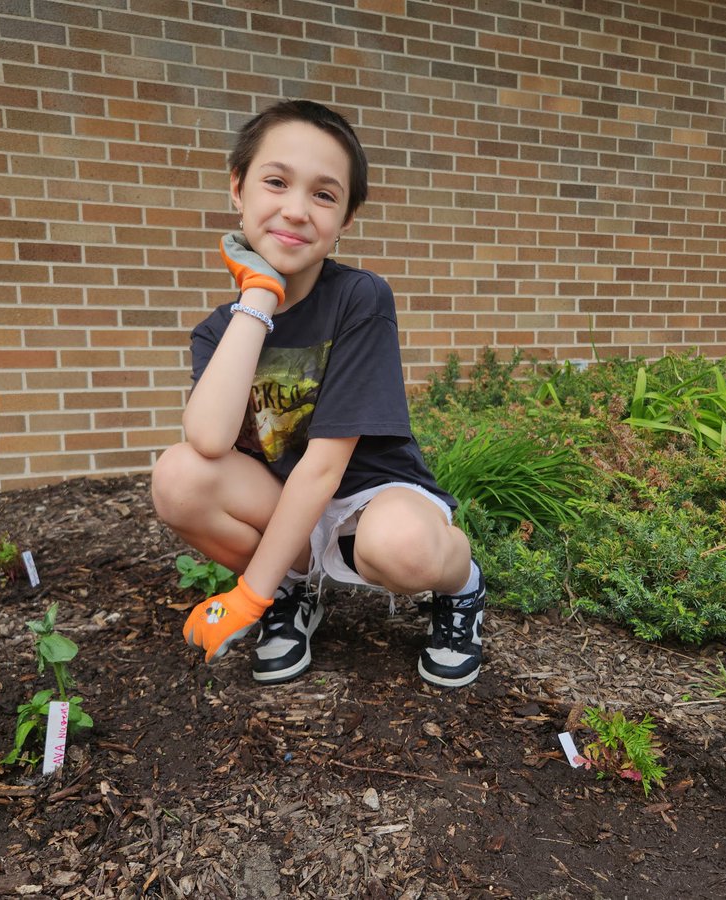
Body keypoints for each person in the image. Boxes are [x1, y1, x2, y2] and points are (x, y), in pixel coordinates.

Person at [151, 99, 485, 688]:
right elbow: (207, 439)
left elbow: (325, 470)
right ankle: (295, 591)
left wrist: (246, 596)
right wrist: (257, 296)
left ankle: (463, 588)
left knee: (403, 549)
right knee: (179, 477)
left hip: (368, 496)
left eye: (324, 195)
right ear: (238, 188)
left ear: (346, 219)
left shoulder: (359, 298)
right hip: (285, 503)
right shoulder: (217, 331)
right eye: (276, 182)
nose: (297, 210)